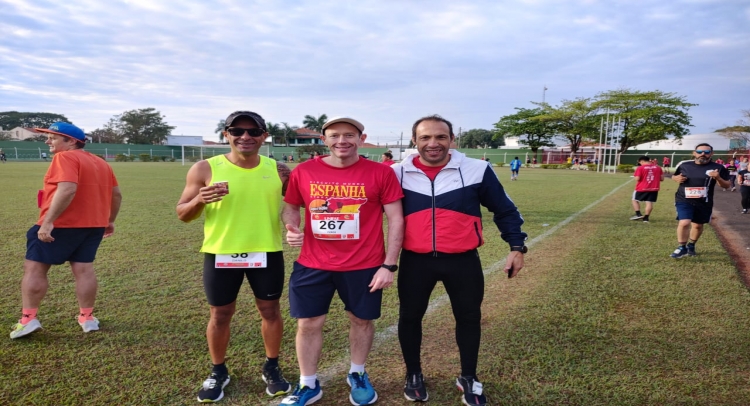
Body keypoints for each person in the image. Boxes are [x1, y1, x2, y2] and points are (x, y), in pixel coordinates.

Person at [393, 115, 526, 406]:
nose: (433, 143)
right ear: (414, 141)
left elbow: (504, 210)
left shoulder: (477, 169)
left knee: (468, 318)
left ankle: (468, 377)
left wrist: (517, 246)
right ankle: (413, 374)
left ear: (452, 139)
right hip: (416, 261)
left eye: (441, 137)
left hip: (463, 261)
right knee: (410, 317)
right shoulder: (396, 172)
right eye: (425, 137)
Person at [280, 117, 404, 406]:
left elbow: (396, 219)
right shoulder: (305, 171)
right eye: (334, 135)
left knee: (361, 320)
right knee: (309, 322)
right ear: (324, 139)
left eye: (349, 135)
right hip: (313, 263)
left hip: (364, 265)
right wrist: (292, 228)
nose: (342, 141)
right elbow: (290, 206)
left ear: (361, 138)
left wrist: (388, 265)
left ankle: (357, 373)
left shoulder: (381, 173)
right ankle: (308, 384)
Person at [176, 111, 293, 402]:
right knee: (220, 314)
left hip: (265, 252)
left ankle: (272, 366)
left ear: (264, 136)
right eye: (237, 130)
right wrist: (199, 200)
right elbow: (182, 214)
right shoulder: (205, 168)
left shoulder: (278, 170)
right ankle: (218, 371)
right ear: (226, 134)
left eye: (254, 132)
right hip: (221, 253)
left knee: (270, 311)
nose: (245, 137)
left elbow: (295, 205)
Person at [10, 122, 121, 339]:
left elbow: (68, 188)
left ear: (71, 141)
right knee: (84, 269)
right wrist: (110, 220)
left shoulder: (64, 157)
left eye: (53, 137)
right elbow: (116, 195)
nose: (47, 141)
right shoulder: (101, 163)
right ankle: (87, 318)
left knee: (34, 268)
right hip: (93, 225)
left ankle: (28, 319)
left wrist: (48, 221)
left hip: (62, 223)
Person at [669, 143, 730, 258]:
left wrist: (718, 178)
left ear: (711, 154)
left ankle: (691, 245)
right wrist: (676, 178)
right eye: (700, 152)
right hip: (684, 199)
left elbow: (726, 185)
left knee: (697, 226)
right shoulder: (684, 165)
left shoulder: (719, 168)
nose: (703, 154)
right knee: (684, 222)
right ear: (694, 153)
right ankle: (682, 247)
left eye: (706, 152)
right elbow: (674, 176)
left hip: (704, 202)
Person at [630, 156, 665, 223]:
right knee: (649, 202)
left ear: (642, 161)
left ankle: (638, 214)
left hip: (642, 188)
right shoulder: (658, 167)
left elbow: (637, 178)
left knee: (634, 200)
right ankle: (646, 218)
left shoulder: (640, 168)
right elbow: (662, 179)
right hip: (654, 188)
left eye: (640, 162)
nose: (640, 164)